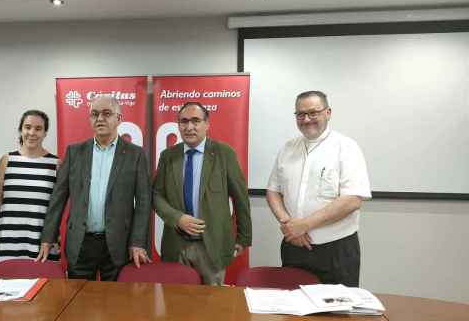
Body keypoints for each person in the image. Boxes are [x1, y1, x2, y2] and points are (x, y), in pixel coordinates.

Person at [37, 95, 152, 280]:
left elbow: (144, 203)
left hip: (118, 244)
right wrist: (48, 237)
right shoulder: (75, 152)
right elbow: (58, 198)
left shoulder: (135, 154)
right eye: (95, 114)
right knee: (78, 303)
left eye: (106, 114)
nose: (100, 119)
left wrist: (138, 242)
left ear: (119, 118)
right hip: (81, 243)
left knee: (117, 303)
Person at [266, 91, 371, 287]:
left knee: (336, 314)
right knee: (293, 310)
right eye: (300, 114)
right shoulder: (288, 148)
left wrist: (304, 225)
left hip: (336, 250)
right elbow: (273, 191)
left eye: (313, 113)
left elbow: (352, 200)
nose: (306, 119)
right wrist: (288, 224)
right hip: (294, 246)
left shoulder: (346, 147)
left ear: (328, 112)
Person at [154, 101, 252, 285]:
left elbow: (240, 198)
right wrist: (177, 218)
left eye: (195, 121)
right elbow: (156, 196)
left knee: (212, 306)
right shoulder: (168, 156)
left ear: (207, 124)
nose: (189, 127)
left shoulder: (224, 153)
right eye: (184, 121)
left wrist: (243, 238)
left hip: (212, 246)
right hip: (176, 245)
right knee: (175, 302)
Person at [0, 110, 61, 266]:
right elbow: (0, 202)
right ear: (21, 130)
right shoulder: (7, 160)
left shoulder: (56, 164)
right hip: (8, 239)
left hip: (42, 241)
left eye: (38, 128)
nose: (32, 133)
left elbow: (58, 207)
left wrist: (52, 236)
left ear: (45, 133)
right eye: (27, 127)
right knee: (6, 286)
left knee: (45, 287)